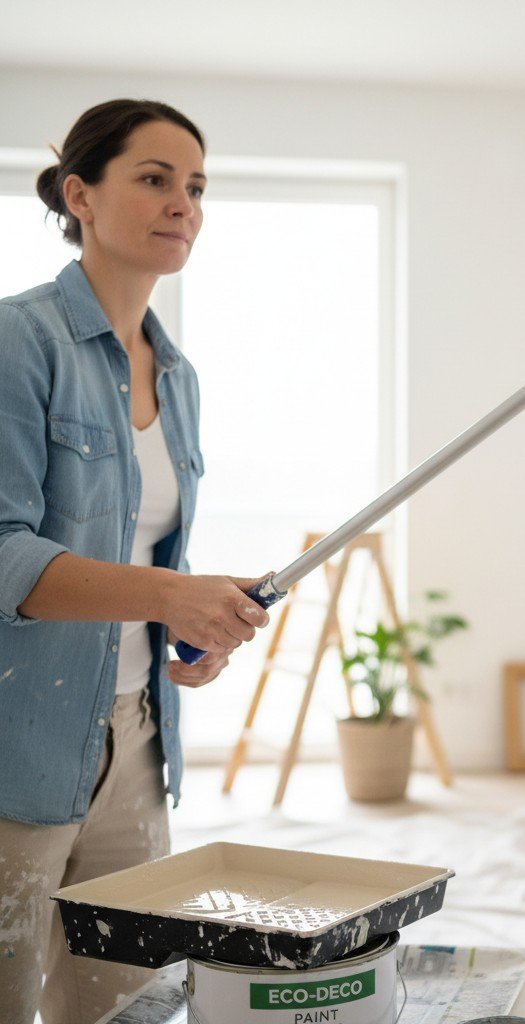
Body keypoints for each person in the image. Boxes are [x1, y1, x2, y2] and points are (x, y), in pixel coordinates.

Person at [0, 99, 271, 1024]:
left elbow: (148, 553)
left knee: (126, 1007)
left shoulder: (179, 374)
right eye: (154, 180)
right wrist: (166, 593)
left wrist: (197, 616)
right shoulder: (17, 342)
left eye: (194, 187)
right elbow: (2, 552)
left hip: (137, 741)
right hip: (17, 743)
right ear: (80, 194)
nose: (182, 205)